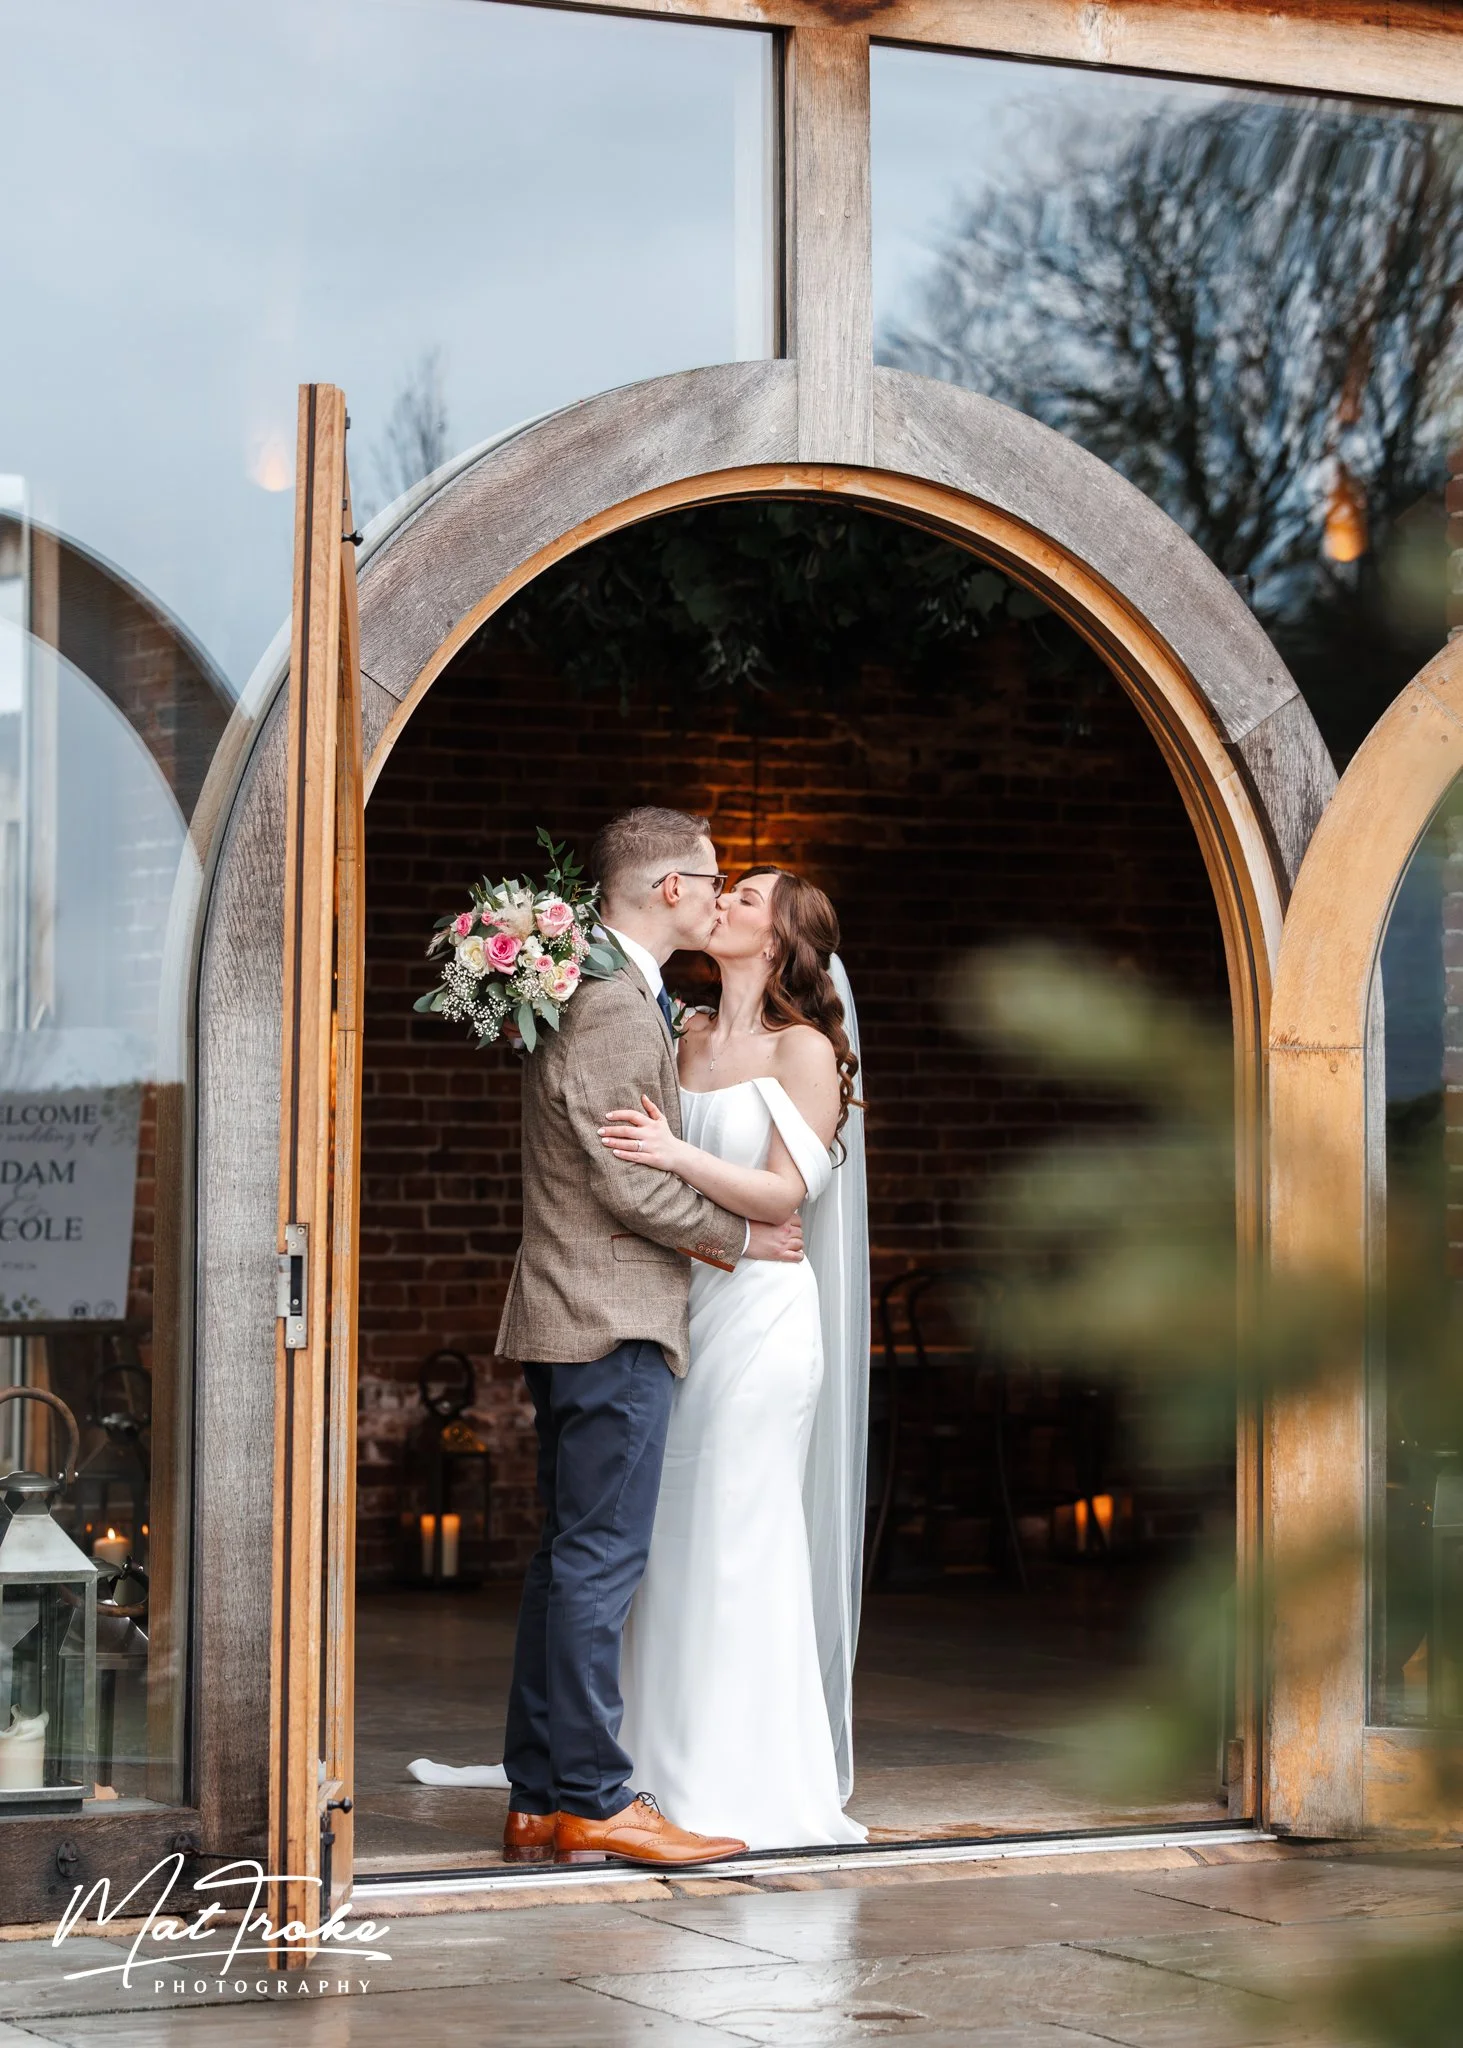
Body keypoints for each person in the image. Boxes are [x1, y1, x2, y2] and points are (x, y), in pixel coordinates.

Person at [494, 807, 805, 1870]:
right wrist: (742, 1238)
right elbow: (624, 1183)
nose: (721, 895)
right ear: (669, 889)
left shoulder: (610, 990)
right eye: (712, 879)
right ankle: (593, 1795)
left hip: (575, 1307)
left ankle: (538, 1795)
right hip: (609, 1311)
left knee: (564, 1560)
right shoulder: (619, 1005)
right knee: (597, 1562)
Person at [603, 866, 870, 1850]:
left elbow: (777, 1196)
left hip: (760, 1321)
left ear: (782, 936)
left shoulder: (801, 1049)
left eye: (747, 896)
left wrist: (672, 1154)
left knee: (736, 1529)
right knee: (665, 1532)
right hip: (685, 1305)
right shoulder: (683, 1032)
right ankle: (648, 1763)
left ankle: (738, 1773)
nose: (723, 901)